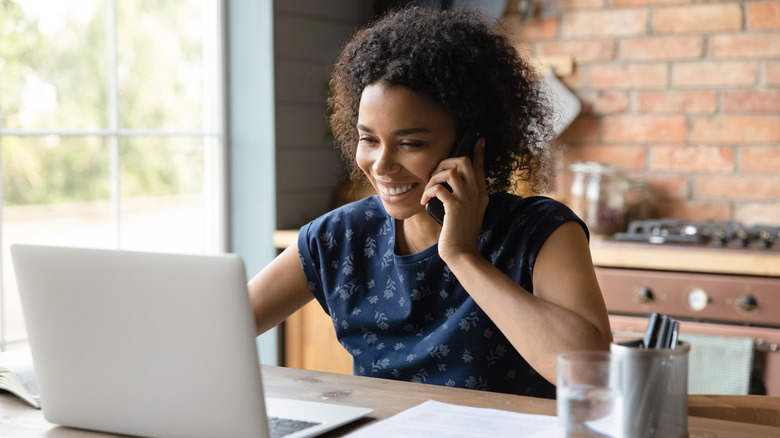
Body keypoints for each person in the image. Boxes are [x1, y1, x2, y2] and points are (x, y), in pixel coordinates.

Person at [248, 6, 612, 399]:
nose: (382, 165)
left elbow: (591, 375)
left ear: (471, 144)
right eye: (369, 139)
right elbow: (215, 327)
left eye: (411, 144)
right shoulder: (340, 237)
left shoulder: (541, 232)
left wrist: (462, 256)